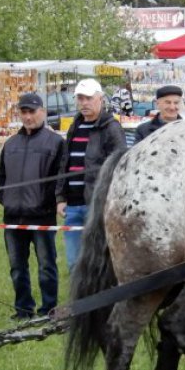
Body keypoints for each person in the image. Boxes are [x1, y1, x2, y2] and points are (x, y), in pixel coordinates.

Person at [0, 93, 63, 320]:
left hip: (42, 216)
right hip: (13, 216)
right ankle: (23, 309)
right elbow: (0, 176)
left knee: (46, 265)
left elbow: (59, 179)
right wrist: (5, 198)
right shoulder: (10, 144)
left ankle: (49, 309)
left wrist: (48, 202)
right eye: (23, 112)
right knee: (17, 266)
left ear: (42, 112)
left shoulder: (55, 143)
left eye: (32, 112)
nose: (27, 117)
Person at [56, 78, 128, 272]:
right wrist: (60, 198)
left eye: (88, 98)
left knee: (100, 262)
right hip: (72, 205)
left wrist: (108, 202)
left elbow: (120, 166)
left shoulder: (112, 127)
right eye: (80, 98)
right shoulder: (75, 126)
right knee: (73, 263)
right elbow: (65, 162)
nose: (84, 103)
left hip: (97, 205)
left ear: (100, 99)